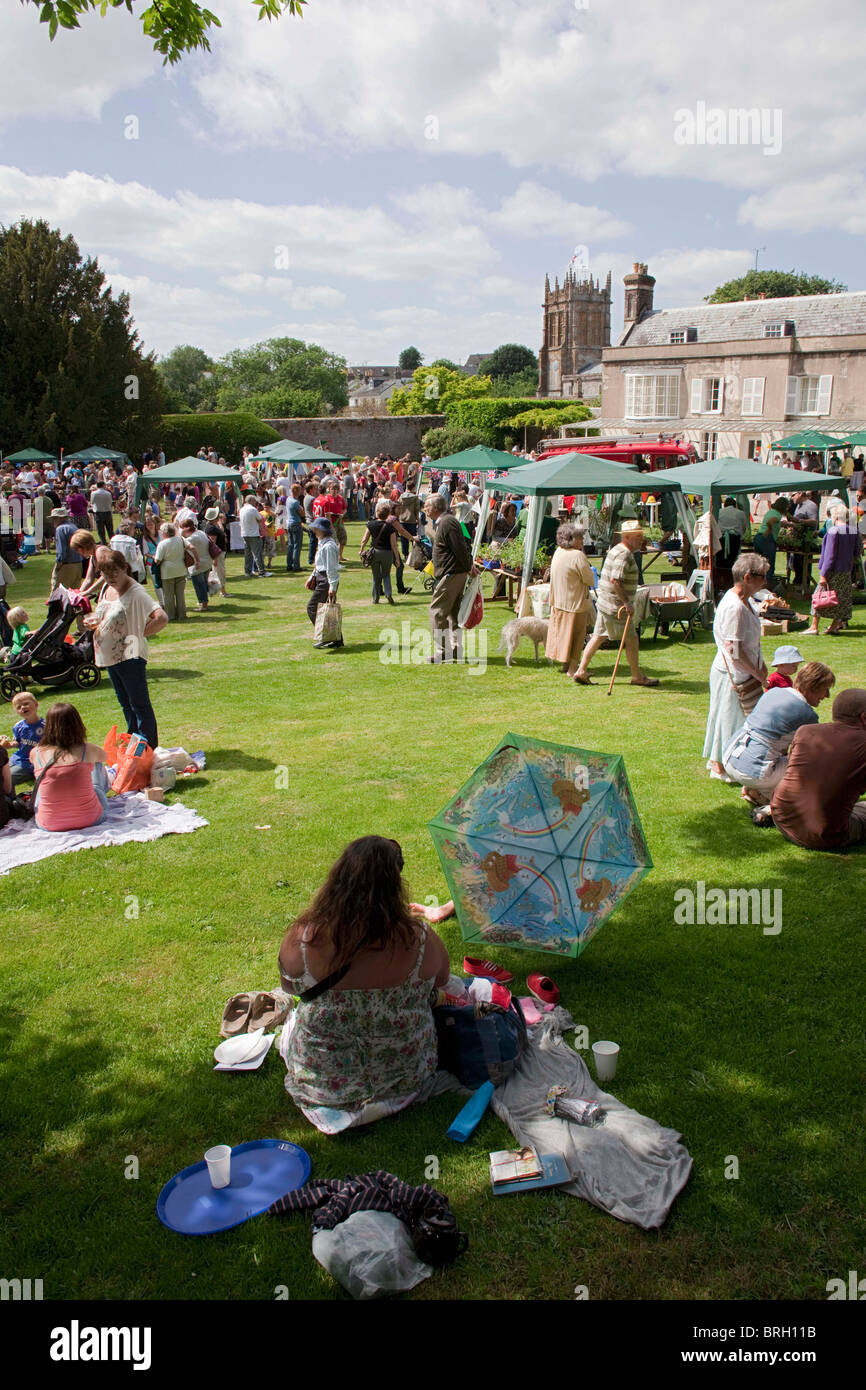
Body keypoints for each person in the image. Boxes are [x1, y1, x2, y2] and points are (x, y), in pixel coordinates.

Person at [277, 836, 449, 1126]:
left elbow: (289, 988)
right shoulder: (421, 939)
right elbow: (441, 983)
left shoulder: (304, 938)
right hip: (405, 1076)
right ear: (396, 885)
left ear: (338, 876)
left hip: (324, 1083)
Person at [82, 548, 167, 747]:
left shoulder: (136, 592)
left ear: (124, 568)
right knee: (125, 704)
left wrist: (139, 633)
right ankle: (133, 743)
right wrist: (97, 621)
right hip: (110, 657)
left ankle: (147, 749)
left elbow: (161, 618)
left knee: (139, 704)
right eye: (105, 574)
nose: (110, 578)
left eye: (114, 573)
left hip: (130, 655)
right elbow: (111, 614)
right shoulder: (107, 588)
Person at [723, 661, 835, 806]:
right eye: (825, 689)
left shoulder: (775, 692)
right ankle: (775, 798)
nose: (827, 695)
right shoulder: (807, 715)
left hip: (729, 756)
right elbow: (815, 752)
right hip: (753, 770)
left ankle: (759, 791)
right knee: (814, 763)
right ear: (813, 687)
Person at [767, 688, 866, 849]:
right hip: (825, 835)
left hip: (781, 819)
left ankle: (767, 811)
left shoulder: (805, 731)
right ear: (864, 717)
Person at [703, 551, 769, 780]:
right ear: (748, 576)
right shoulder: (734, 606)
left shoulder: (747, 601)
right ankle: (719, 765)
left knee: (736, 718)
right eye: (762, 577)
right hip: (731, 672)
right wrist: (758, 674)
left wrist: (761, 665)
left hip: (742, 669)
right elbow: (734, 650)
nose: (765, 582)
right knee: (727, 717)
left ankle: (726, 762)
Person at [574, 520, 658, 687]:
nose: (641, 540)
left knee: (598, 636)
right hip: (615, 606)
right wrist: (627, 602)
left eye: (641, 536)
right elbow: (616, 580)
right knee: (632, 639)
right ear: (627, 537)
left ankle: (581, 671)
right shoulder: (624, 554)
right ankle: (637, 676)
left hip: (606, 603)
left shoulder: (617, 550)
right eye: (638, 536)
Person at [29, 702, 110, 832]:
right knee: (97, 764)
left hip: (48, 824)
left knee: (42, 785)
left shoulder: (36, 753)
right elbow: (105, 757)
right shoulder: (88, 749)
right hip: (91, 819)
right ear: (77, 724)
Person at [424, 492, 473, 663]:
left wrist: (468, 566)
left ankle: (443, 651)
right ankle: (454, 650)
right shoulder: (445, 522)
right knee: (452, 614)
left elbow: (460, 547)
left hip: (452, 574)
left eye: (427, 506)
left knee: (437, 612)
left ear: (436, 507)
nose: (424, 509)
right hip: (454, 572)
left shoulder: (447, 522)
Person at [803, 504, 862, 636]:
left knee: (819, 597)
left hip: (832, 571)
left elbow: (829, 556)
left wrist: (823, 575)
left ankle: (814, 626)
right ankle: (835, 626)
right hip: (846, 570)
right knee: (841, 598)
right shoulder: (853, 531)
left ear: (834, 516)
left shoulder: (833, 532)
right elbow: (857, 552)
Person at [546, 522, 594, 680]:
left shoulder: (558, 552)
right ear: (571, 539)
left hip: (559, 601)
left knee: (564, 636)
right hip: (575, 603)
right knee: (577, 638)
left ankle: (566, 665)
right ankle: (573, 669)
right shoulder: (577, 556)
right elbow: (589, 579)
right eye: (580, 537)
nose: (582, 541)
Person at [306, 518, 342, 649]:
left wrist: (332, 586)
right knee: (329, 612)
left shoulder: (329, 546)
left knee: (313, 608)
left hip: (327, 579)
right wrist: (312, 577)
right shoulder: (323, 543)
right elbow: (319, 565)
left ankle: (326, 636)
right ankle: (336, 639)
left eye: (316, 529)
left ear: (322, 530)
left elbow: (331, 568)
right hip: (323, 578)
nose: (314, 531)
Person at [359, 500, 401, 605]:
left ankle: (375, 598)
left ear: (377, 512)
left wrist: (361, 549)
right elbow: (394, 544)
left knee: (376, 576)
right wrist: (396, 558)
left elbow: (365, 538)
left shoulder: (371, 524)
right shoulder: (390, 527)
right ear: (388, 514)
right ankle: (388, 593)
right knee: (386, 575)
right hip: (387, 553)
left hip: (375, 552)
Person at [0, 690, 44, 784]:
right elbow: (18, 743)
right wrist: (10, 745)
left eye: (26, 704)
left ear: (36, 704)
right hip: (16, 758)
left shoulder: (46, 726)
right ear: (17, 712)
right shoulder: (18, 726)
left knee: (5, 779)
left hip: (30, 763)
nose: (23, 707)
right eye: (18, 707)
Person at [153, 522, 189, 621]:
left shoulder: (162, 543)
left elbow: (157, 560)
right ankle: (182, 614)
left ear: (164, 533)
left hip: (167, 572)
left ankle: (171, 615)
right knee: (180, 594)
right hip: (181, 569)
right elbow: (191, 547)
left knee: (168, 595)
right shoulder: (180, 539)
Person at [179, 517, 212, 611]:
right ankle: (204, 601)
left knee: (199, 585)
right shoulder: (201, 532)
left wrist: (181, 535)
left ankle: (204, 605)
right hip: (207, 561)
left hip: (197, 564)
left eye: (182, 528)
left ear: (187, 528)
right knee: (203, 584)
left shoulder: (190, 539)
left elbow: (184, 546)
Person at [752, 496, 791, 577]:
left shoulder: (771, 511)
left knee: (759, 566)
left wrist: (782, 524)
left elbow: (773, 521)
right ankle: (767, 586)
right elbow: (770, 521)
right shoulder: (777, 514)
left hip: (759, 537)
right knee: (768, 566)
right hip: (767, 540)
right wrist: (769, 530)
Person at [50, 508, 84, 591]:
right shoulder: (73, 526)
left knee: (58, 593)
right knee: (74, 594)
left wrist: (58, 566)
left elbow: (61, 551)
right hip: (78, 564)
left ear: (59, 518)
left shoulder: (60, 529)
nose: (52, 521)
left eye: (54, 518)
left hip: (67, 565)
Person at [239, 495, 265, 578]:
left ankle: (248, 571)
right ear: (251, 501)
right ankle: (261, 571)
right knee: (257, 554)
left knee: (248, 554)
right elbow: (260, 518)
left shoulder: (242, 509)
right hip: (253, 533)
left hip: (244, 533)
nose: (255, 503)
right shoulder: (253, 509)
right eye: (254, 501)